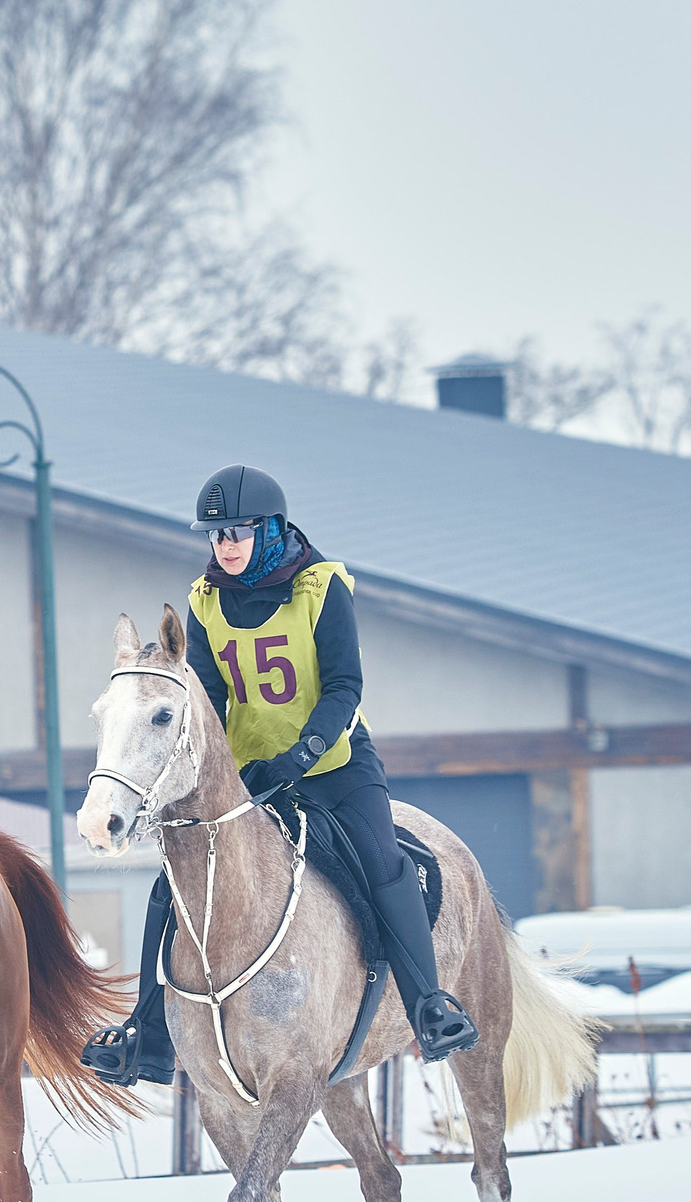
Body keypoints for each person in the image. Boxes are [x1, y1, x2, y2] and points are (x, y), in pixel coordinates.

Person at [83, 464, 483, 1086]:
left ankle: (430, 1004)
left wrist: (302, 753)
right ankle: (148, 1032)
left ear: (269, 528)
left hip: (333, 765)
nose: (225, 546)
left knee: (383, 863)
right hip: (248, 781)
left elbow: (345, 685)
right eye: (215, 536)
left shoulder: (322, 588)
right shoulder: (204, 600)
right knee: (176, 882)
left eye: (236, 532)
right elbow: (209, 695)